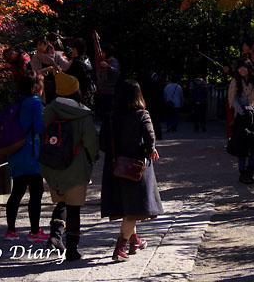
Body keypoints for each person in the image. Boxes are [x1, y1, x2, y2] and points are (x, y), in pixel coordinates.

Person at [99, 80, 163, 262]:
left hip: (115, 167)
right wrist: (150, 150)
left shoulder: (110, 116)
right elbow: (150, 136)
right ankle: (119, 249)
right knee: (133, 210)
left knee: (127, 206)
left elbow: (102, 143)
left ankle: (135, 241)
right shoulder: (142, 114)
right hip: (136, 168)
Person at [41, 73, 99, 261]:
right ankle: (72, 249)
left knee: (61, 202)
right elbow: (91, 141)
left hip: (52, 166)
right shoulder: (83, 114)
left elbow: (39, 134)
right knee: (74, 209)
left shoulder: (49, 110)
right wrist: (93, 157)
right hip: (76, 167)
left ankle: (55, 236)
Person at [5, 71, 48, 242]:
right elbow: (38, 127)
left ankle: (10, 230)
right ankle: (35, 231)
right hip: (30, 152)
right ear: (34, 86)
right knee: (37, 191)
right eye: (41, 83)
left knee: (17, 191)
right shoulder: (35, 102)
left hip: (15, 152)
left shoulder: (19, 101)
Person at [227, 59, 254, 184]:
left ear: (248, 68)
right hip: (242, 116)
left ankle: (251, 171)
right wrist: (242, 111)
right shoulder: (235, 82)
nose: (242, 70)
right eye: (239, 68)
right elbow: (232, 99)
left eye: (244, 67)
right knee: (241, 146)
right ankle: (242, 172)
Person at [93, 42, 120, 121]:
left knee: (109, 116)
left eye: (103, 52)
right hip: (101, 93)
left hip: (109, 94)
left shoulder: (114, 62)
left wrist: (107, 66)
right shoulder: (103, 62)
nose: (101, 54)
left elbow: (116, 73)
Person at [138, 65, 165, 140]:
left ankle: (157, 136)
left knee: (154, 121)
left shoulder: (155, 80)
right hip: (155, 103)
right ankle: (157, 135)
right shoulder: (156, 79)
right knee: (155, 121)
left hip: (153, 103)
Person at [66, 37, 94, 106]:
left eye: (72, 48)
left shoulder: (76, 63)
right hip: (89, 94)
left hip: (80, 97)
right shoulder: (86, 59)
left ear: (75, 49)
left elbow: (68, 78)